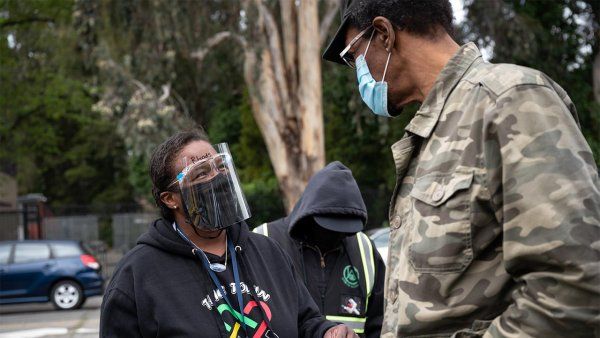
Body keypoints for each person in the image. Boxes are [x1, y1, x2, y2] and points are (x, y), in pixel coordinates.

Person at [322, 0, 600, 337]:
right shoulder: (431, 135)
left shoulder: (510, 101)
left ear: (383, 34)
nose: (358, 74)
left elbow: (576, 287)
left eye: (354, 57)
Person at [100, 130, 358, 338]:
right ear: (170, 199)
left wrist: (328, 332)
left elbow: (305, 321)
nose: (217, 178)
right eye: (201, 173)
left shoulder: (268, 252)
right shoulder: (137, 276)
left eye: (221, 167)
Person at [253, 161, 385, 338]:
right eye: (330, 226)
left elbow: (381, 323)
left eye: (345, 229)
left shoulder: (364, 248)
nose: (337, 234)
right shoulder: (265, 239)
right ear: (308, 215)